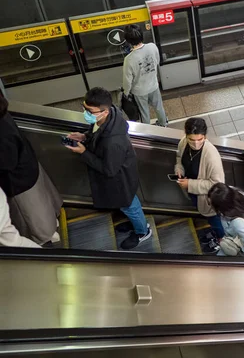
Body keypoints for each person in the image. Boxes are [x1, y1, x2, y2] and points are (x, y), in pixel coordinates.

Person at [65, 87, 152, 250]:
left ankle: (143, 231)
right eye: (84, 107)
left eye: (89, 111)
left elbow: (109, 170)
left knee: (130, 205)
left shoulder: (114, 142)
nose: (85, 112)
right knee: (128, 205)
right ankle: (136, 224)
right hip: (121, 176)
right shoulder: (107, 118)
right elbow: (97, 133)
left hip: (121, 181)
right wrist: (85, 136)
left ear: (104, 112)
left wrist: (84, 153)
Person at [0, 92, 61, 244]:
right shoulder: (3, 117)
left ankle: (45, 238)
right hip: (29, 167)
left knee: (32, 219)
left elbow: (7, 162)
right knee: (43, 206)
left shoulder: (2, 135)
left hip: (19, 182)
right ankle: (52, 228)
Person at [174, 117, 225, 252]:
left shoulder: (211, 156)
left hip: (208, 198)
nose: (196, 143)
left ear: (205, 136)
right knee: (206, 215)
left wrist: (190, 184)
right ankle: (216, 233)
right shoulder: (183, 143)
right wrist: (179, 169)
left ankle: (221, 239)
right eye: (192, 139)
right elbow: (179, 158)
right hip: (194, 192)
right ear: (186, 136)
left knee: (214, 218)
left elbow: (217, 184)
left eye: (200, 139)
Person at [122, 24, 168, 127]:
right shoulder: (152, 46)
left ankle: (146, 130)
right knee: (159, 107)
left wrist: (126, 92)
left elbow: (127, 80)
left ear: (128, 40)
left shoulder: (129, 59)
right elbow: (157, 62)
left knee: (144, 112)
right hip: (153, 85)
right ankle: (163, 124)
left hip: (139, 91)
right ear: (141, 35)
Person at [208, 183, 244, 258]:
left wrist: (238, 249)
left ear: (222, 206)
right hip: (242, 239)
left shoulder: (238, 223)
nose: (209, 205)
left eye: (211, 203)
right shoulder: (237, 194)